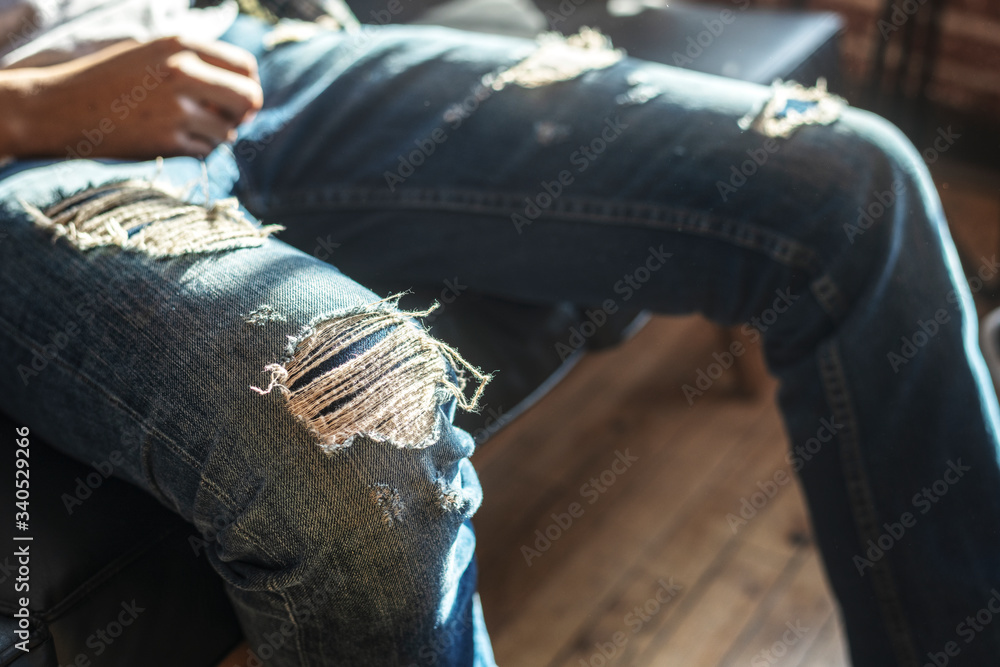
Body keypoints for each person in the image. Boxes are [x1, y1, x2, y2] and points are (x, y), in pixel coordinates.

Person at [1, 1, 998, 665]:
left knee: (852, 185)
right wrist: (32, 103)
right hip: (30, 143)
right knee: (363, 431)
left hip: (235, 53)